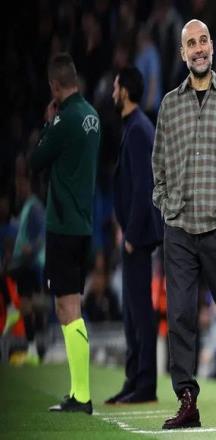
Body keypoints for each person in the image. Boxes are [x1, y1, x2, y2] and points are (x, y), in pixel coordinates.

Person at [152, 19, 216, 429]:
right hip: (179, 228)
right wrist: (166, 207)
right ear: (182, 54)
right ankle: (187, 401)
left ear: (212, 46)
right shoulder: (169, 105)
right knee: (179, 316)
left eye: (203, 41)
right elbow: (159, 166)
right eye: (191, 44)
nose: (198, 48)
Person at [30, 52, 100, 414]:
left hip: (63, 225)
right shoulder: (92, 116)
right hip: (83, 225)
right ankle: (77, 392)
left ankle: (82, 396)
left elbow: (35, 162)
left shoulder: (64, 119)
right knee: (69, 307)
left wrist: (47, 123)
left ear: (55, 86)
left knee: (68, 308)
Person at [105, 66, 163, 404]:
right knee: (130, 312)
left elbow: (144, 187)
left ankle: (145, 384)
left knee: (140, 312)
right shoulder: (134, 127)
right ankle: (133, 380)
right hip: (131, 234)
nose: (113, 93)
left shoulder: (139, 129)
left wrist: (131, 234)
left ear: (125, 91)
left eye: (116, 87)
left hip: (137, 238)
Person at [7, 156, 45, 365]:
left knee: (25, 303)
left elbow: (41, 235)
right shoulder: (27, 207)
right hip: (26, 263)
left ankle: (12, 309)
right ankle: (32, 349)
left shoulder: (34, 207)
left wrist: (31, 248)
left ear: (28, 184)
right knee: (28, 306)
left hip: (30, 264)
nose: (18, 188)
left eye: (21, 184)